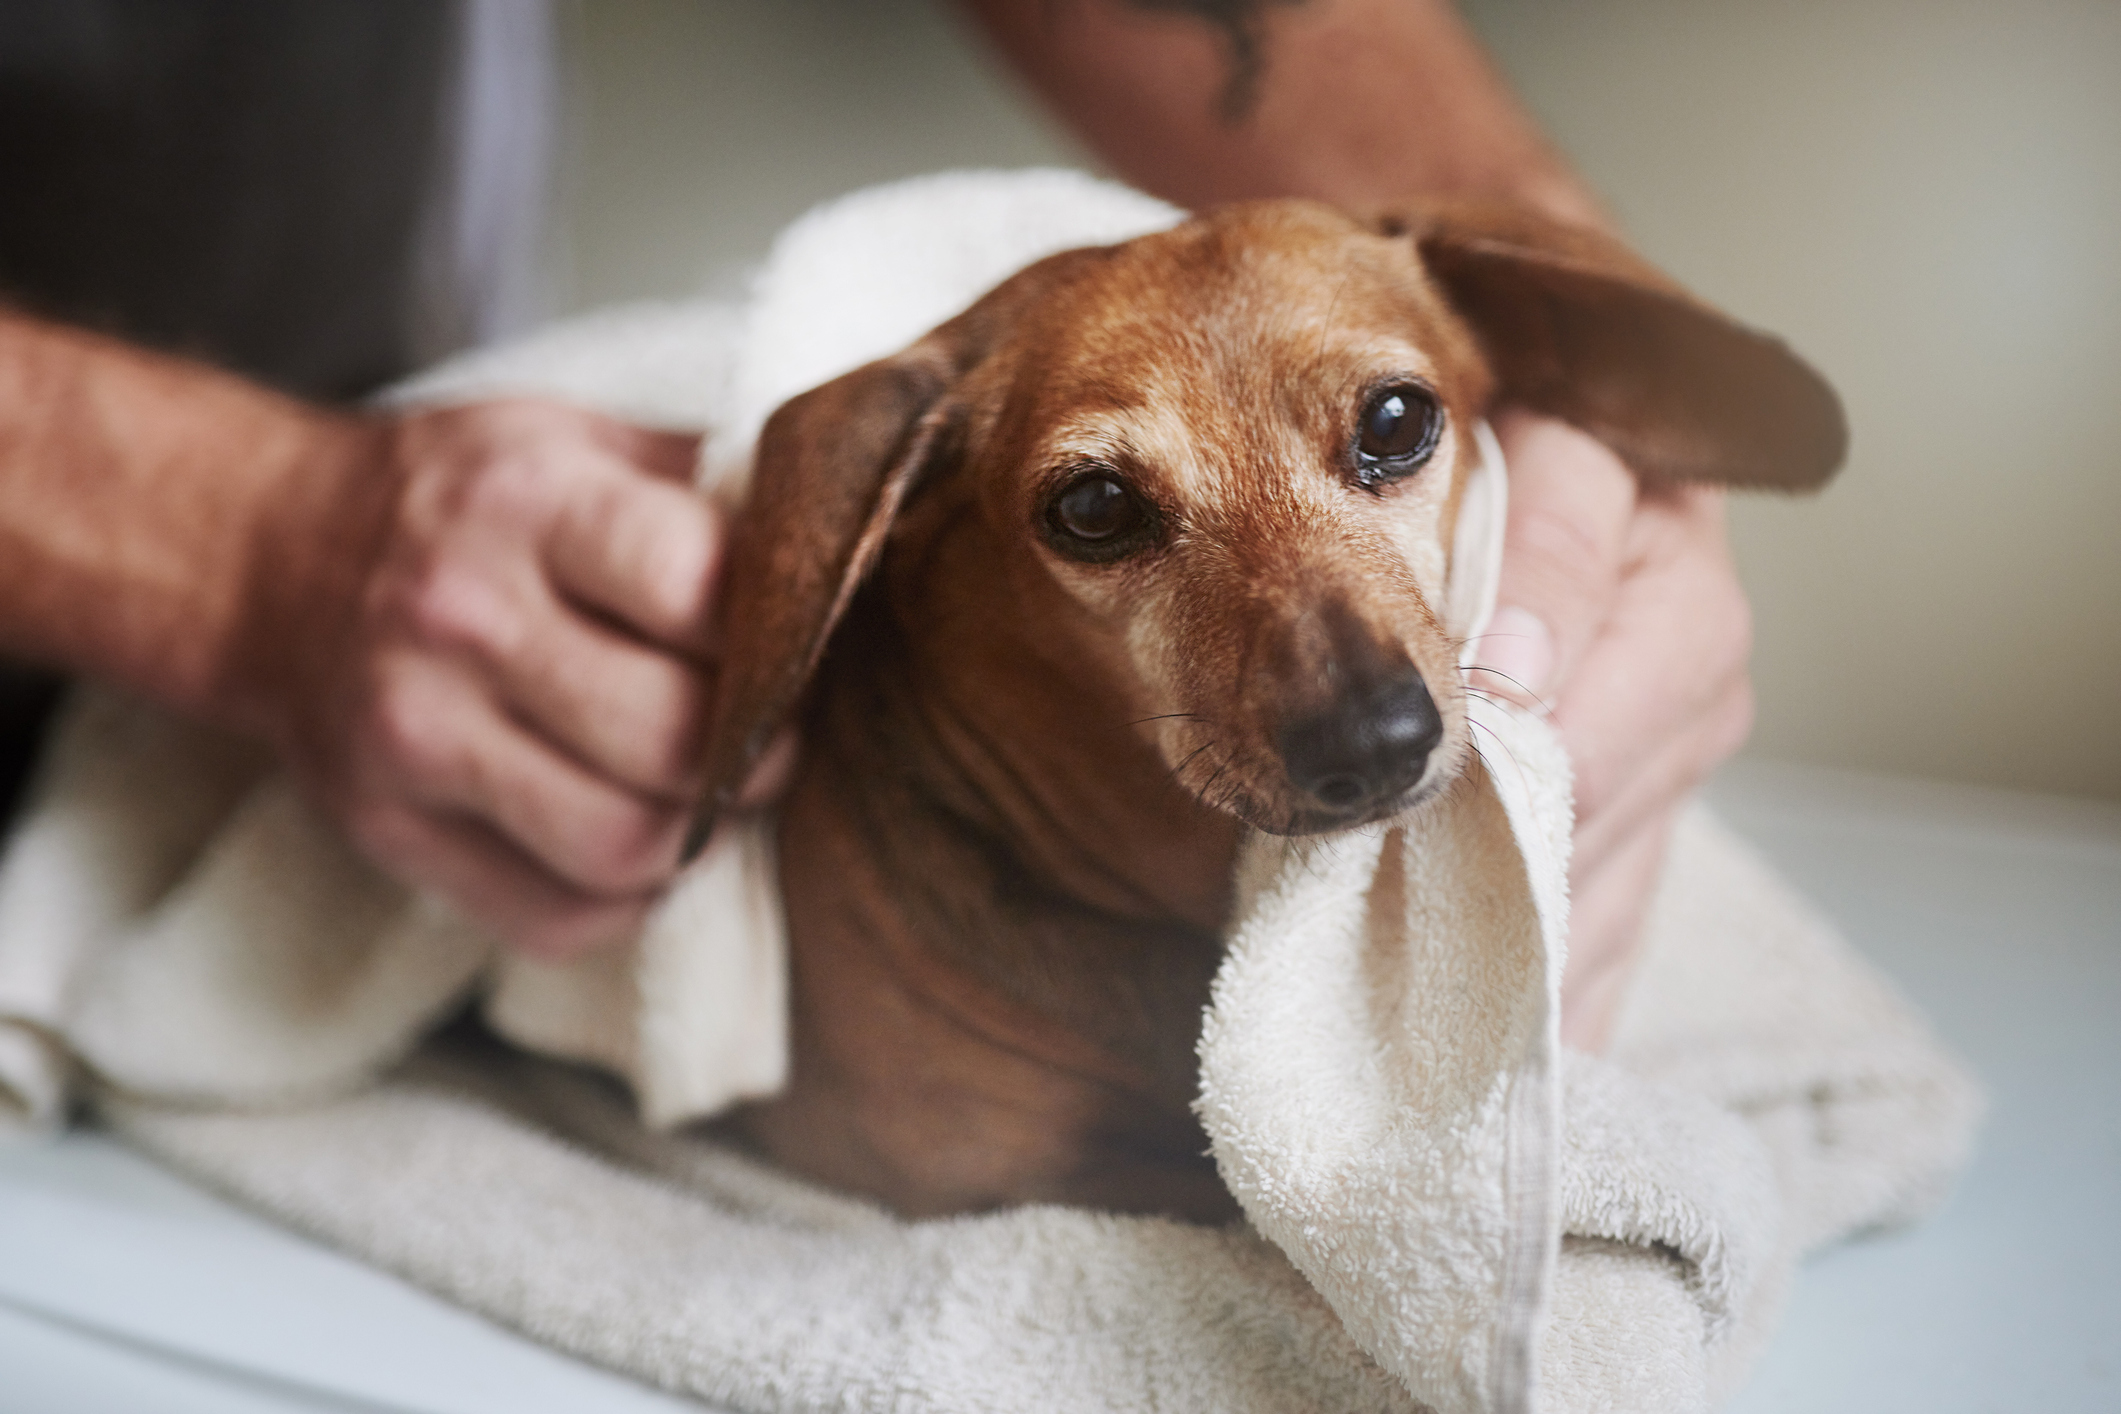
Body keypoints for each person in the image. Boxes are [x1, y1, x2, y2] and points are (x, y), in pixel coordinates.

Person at [0, 0, 1755, 1051]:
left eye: (1386, 430)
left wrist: (1544, 263)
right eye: (1096, 506)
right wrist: (253, 545)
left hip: (421, 443)